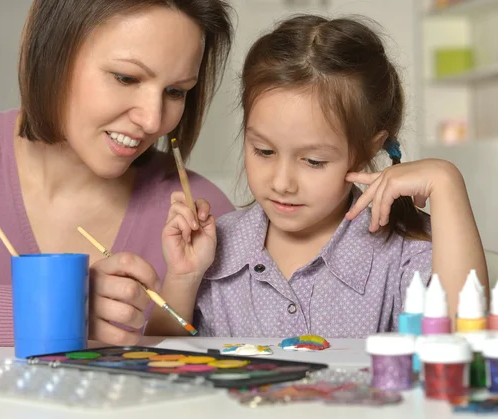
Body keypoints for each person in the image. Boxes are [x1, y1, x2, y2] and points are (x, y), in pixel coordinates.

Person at [0, 0, 235, 346]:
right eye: (126, 77)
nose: (153, 120)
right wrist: (61, 311)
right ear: (53, 53)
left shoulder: (203, 217)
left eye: (176, 91)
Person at [146, 15, 488, 338]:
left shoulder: (406, 251)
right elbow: (161, 367)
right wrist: (184, 279)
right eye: (264, 151)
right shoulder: (214, 249)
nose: (282, 182)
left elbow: (463, 346)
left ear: (368, 150)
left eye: (313, 161)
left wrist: (446, 182)